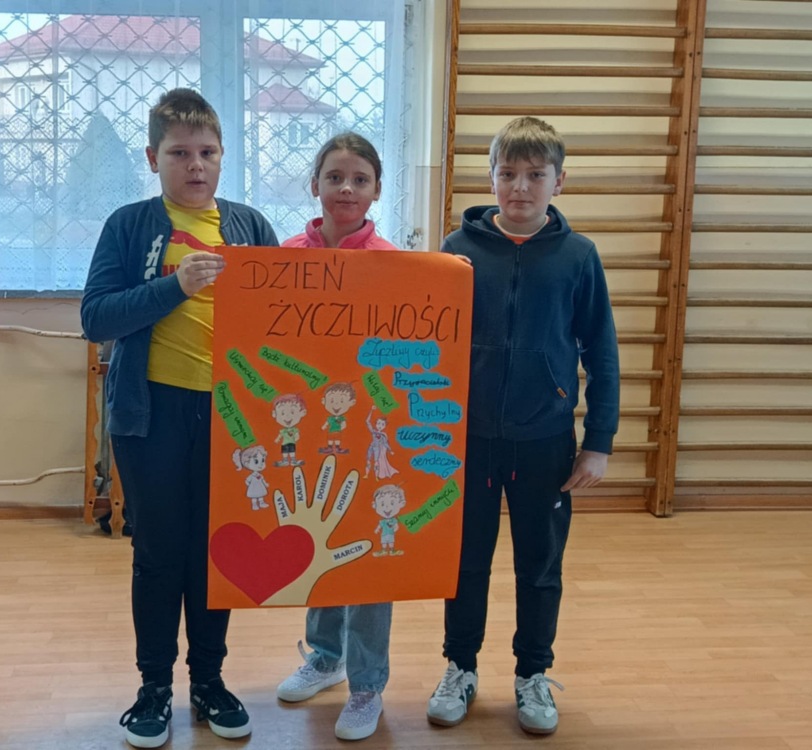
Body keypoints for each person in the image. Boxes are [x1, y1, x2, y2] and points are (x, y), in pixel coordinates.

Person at [81, 88, 278, 748]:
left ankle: (209, 681)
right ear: (152, 158)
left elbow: (282, 324)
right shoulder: (130, 225)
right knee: (159, 554)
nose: (196, 166)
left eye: (207, 153)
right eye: (180, 154)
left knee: (215, 555)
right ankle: (154, 688)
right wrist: (175, 287)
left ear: (223, 156)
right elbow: (96, 318)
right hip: (151, 416)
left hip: (231, 419)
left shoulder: (250, 225)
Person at [426, 116, 619, 736]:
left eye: (535, 175)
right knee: (465, 564)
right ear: (490, 178)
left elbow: (602, 353)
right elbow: (428, 345)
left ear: (558, 182)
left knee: (539, 566)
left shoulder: (578, 257)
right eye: (507, 173)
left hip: (545, 443)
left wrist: (598, 443)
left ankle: (533, 673)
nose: (520, 187)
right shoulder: (456, 250)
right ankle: (459, 666)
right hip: (469, 440)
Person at [274, 132, 399, 741]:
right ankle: (326, 657)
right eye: (334, 177)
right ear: (315, 184)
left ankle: (368, 684)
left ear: (376, 191)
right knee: (317, 532)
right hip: (309, 427)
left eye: (360, 179)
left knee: (369, 550)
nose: (346, 189)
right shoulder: (283, 259)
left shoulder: (394, 265)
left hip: (371, 427)